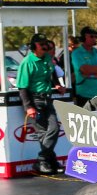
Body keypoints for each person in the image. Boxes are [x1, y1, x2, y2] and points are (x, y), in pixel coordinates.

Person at [16, 34, 64, 175]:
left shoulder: (48, 58)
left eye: (45, 43)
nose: (45, 46)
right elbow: (22, 87)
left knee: (54, 128)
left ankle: (43, 160)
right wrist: (28, 106)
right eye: (41, 44)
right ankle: (48, 161)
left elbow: (51, 72)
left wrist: (57, 84)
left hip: (47, 98)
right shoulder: (27, 62)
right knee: (43, 133)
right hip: (34, 99)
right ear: (34, 46)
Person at [70, 26, 97, 108]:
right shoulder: (77, 53)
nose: (95, 39)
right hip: (84, 94)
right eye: (92, 36)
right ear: (84, 37)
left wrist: (92, 75)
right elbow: (85, 69)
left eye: (96, 37)